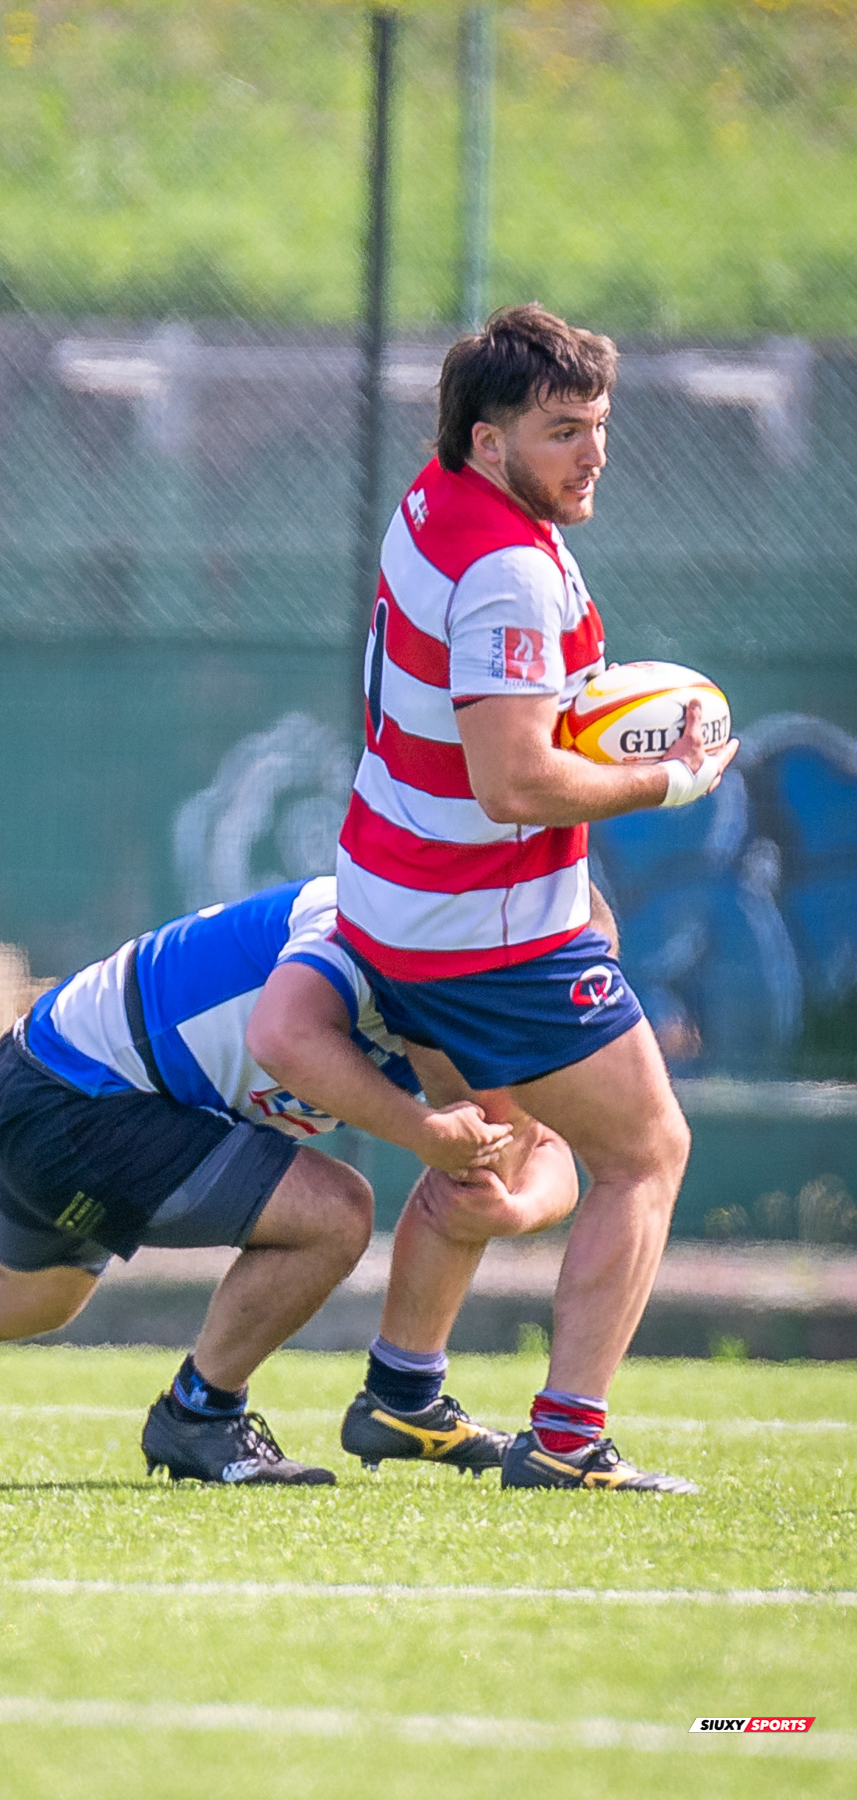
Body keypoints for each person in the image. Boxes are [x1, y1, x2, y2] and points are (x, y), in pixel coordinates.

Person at [0, 876, 557, 1487]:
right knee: (337, 1212)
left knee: (22, 1300)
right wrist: (428, 1132)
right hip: (76, 1097)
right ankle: (202, 1415)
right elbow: (284, 1038)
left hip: (51, 1076)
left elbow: (557, 1147)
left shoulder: (462, 984)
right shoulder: (363, 930)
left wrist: (516, 1207)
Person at [334, 303, 739, 1493]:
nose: (592, 453)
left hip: (397, 904)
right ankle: (566, 1440)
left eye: (599, 425)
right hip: (483, 935)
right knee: (645, 1153)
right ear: (487, 439)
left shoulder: (435, 502)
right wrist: (665, 781)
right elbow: (512, 782)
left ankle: (402, 1394)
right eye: (563, 430)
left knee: (491, 1150)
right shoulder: (509, 570)